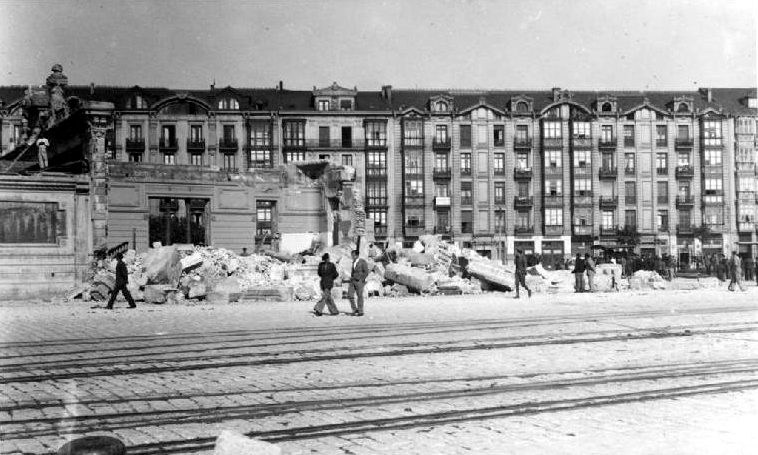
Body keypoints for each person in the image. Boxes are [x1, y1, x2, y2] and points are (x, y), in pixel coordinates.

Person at [347, 249, 369, 316]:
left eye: (353, 255)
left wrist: (362, 279)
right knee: (350, 295)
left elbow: (366, 272)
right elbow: (353, 271)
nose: (352, 256)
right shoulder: (353, 262)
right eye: (352, 255)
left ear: (357, 255)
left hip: (359, 281)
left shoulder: (362, 261)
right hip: (352, 280)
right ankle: (354, 309)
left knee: (359, 296)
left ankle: (360, 311)